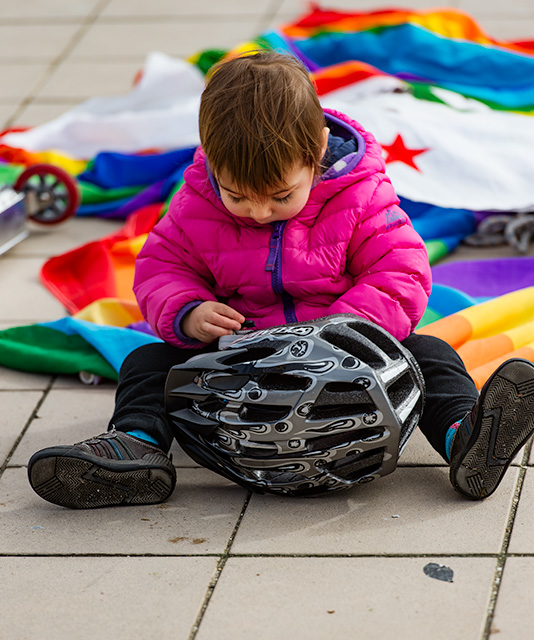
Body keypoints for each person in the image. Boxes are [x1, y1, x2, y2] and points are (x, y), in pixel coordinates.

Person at [27, 51, 534, 509]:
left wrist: (345, 331)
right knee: (147, 362)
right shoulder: (195, 202)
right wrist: (190, 312)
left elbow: (400, 271)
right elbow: (162, 267)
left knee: (432, 356)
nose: (259, 212)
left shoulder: (361, 196)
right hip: (241, 369)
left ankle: (465, 438)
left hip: (349, 371)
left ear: (317, 152)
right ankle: (136, 448)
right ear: (211, 160)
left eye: (279, 195)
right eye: (238, 197)